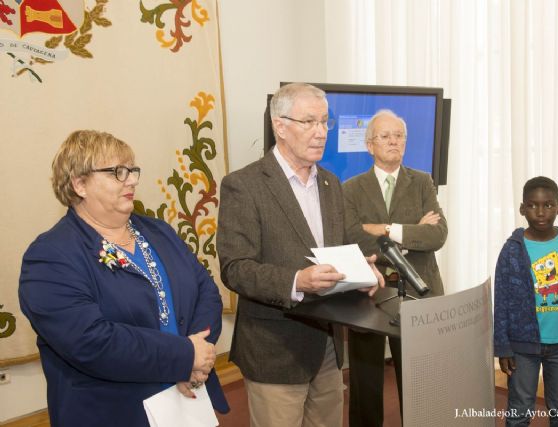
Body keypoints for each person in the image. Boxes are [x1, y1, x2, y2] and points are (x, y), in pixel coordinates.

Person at [19, 130, 228, 427]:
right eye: (117, 172)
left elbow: (206, 292)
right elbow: (92, 342)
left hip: (188, 395)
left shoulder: (159, 231)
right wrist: (184, 357)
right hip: (115, 411)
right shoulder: (50, 256)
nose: (131, 180)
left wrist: (198, 357)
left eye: (131, 170)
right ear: (79, 184)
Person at [217, 82, 383, 427]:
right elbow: (236, 269)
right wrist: (296, 280)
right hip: (276, 348)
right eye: (310, 122)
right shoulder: (244, 186)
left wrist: (366, 268)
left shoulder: (331, 184)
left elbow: (347, 240)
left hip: (328, 344)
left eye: (325, 122)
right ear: (280, 125)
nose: (321, 132)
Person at [342, 109, 447, 426]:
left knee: (420, 383)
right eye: (385, 136)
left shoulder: (422, 182)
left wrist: (386, 229)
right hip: (368, 294)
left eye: (399, 136)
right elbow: (352, 237)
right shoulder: (349, 188)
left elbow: (438, 234)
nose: (393, 141)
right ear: (369, 145)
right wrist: (411, 233)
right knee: (366, 383)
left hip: (417, 292)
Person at [493, 176, 558, 426]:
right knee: (519, 410)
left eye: (548, 205)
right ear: (523, 208)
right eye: (533, 205)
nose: (540, 212)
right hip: (522, 347)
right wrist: (503, 347)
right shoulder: (512, 248)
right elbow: (501, 299)